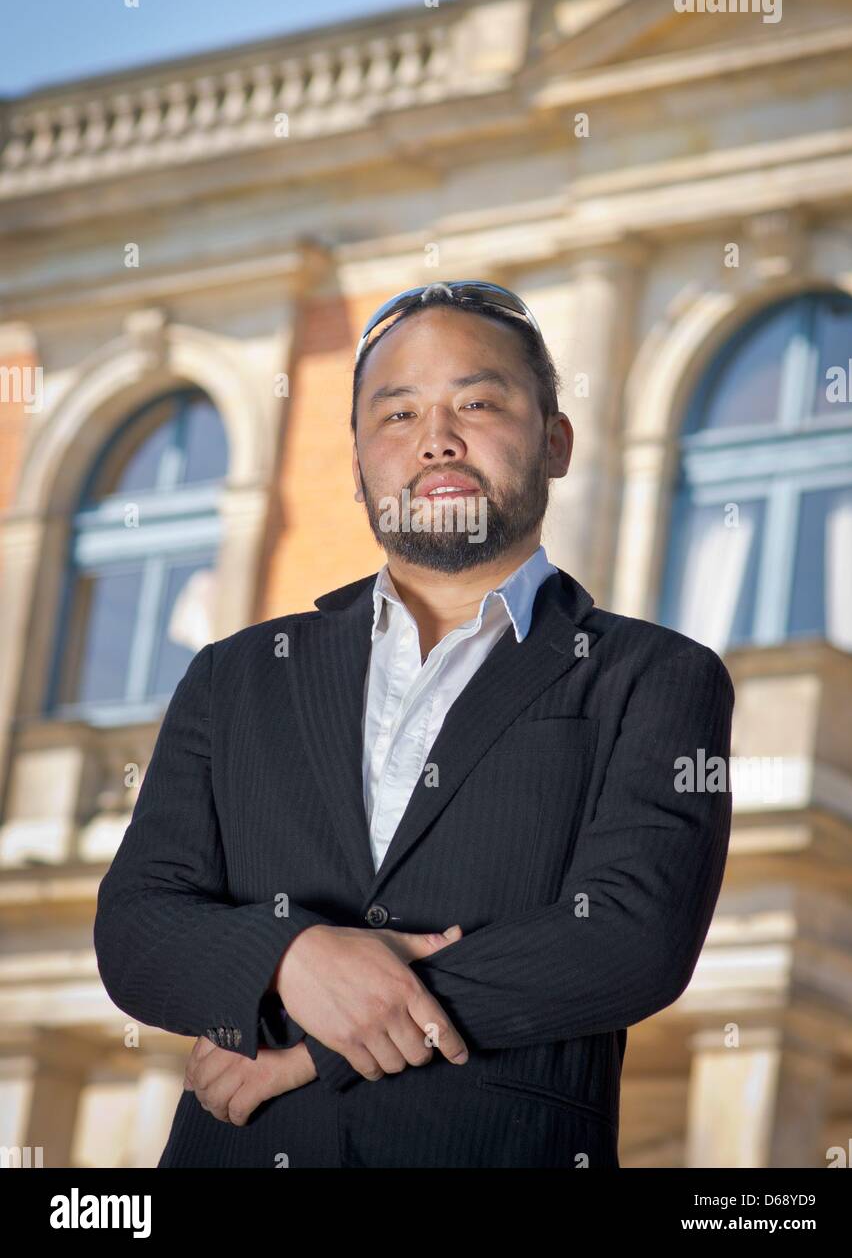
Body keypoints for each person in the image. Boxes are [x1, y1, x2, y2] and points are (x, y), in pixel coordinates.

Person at [94, 280, 734, 1168]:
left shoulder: (658, 678)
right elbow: (136, 929)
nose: (436, 438)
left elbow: (630, 940)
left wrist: (317, 1043)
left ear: (555, 443)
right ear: (357, 472)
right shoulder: (234, 676)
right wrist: (292, 958)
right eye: (396, 416)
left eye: (478, 401)